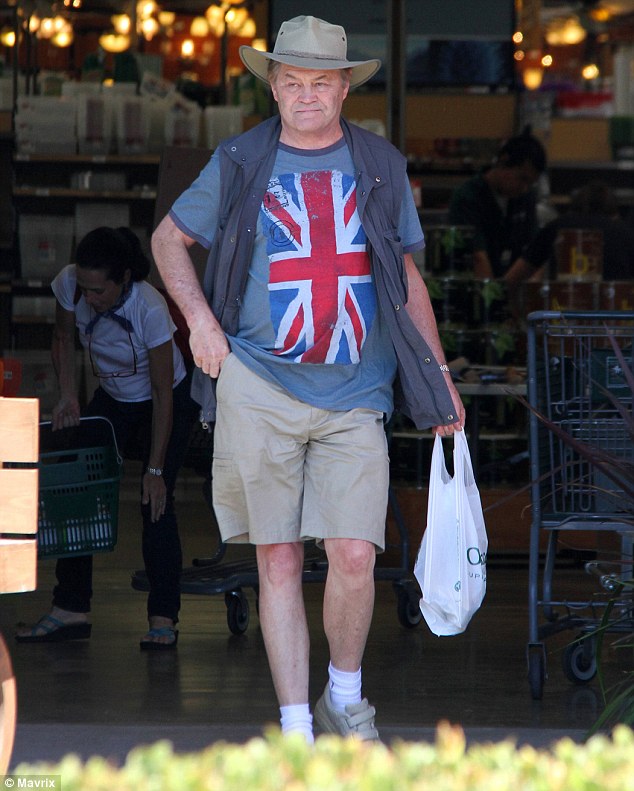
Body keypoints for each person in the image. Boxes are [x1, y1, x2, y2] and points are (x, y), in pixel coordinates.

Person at [151, 15, 465, 741]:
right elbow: (169, 239)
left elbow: (408, 277)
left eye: (320, 82)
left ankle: (343, 695)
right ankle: (296, 725)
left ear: (344, 85)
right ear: (273, 85)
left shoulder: (380, 163)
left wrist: (439, 375)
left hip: (358, 388)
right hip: (259, 382)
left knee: (356, 553)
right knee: (280, 554)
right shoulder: (240, 158)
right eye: (290, 81)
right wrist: (199, 321)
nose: (305, 95)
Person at [16, 227, 197, 650]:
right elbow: (62, 338)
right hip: (113, 397)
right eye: (84, 288)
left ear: (124, 280)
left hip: (163, 400)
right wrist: (67, 395)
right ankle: (70, 607)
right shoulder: (69, 285)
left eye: (98, 291)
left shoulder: (149, 308)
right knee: (77, 485)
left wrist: (153, 468)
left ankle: (163, 617)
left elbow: (162, 390)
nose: (89, 298)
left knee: (156, 499)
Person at [448, 130, 547, 289]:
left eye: (530, 183)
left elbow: (534, 252)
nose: (524, 188)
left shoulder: (525, 197)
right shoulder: (469, 195)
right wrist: (494, 300)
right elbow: (477, 257)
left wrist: (529, 293)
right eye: (522, 178)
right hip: (472, 291)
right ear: (503, 161)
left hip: (512, 290)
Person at [524, 180, 634, 281]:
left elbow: (515, 277)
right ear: (614, 214)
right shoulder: (623, 232)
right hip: (614, 301)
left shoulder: (557, 225)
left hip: (561, 300)